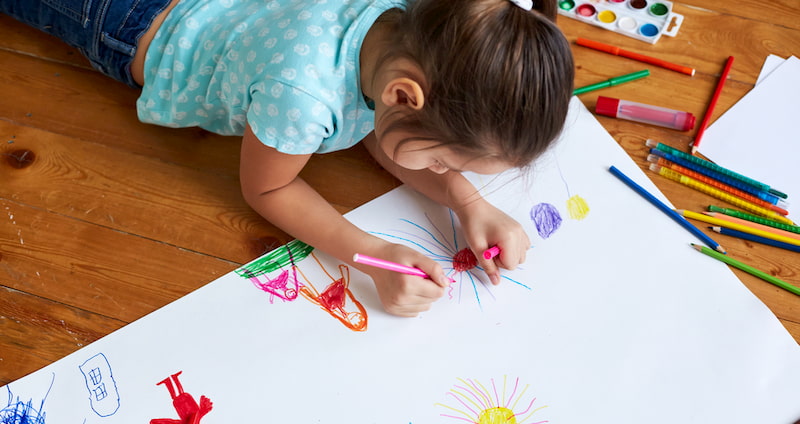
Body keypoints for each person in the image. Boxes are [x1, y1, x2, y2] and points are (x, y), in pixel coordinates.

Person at [0, 0, 574, 317]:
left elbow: (386, 131)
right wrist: (372, 254)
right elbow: (268, 189)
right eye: (450, 161)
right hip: (122, 18)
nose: (447, 173)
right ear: (404, 95)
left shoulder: (410, 25)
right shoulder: (301, 98)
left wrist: (465, 200)